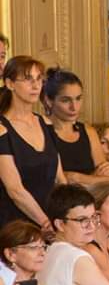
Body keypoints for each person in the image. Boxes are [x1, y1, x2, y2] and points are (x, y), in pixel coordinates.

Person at [0, 59, 64, 227]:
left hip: (51, 217)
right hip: (16, 225)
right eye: (28, 79)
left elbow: (60, 178)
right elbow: (15, 191)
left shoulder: (46, 123)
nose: (36, 86)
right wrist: (46, 224)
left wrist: (69, 214)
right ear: (10, 84)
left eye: (39, 79)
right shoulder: (1, 128)